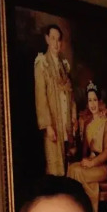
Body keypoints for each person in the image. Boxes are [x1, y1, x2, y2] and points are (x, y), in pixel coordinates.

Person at [34, 24, 77, 176]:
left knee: (68, 162)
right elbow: (41, 97)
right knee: (55, 165)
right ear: (47, 39)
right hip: (53, 122)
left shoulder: (64, 64)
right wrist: (48, 126)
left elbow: (70, 94)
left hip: (66, 121)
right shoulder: (42, 63)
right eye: (53, 39)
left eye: (58, 40)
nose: (56, 43)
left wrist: (73, 116)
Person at [67, 81, 107, 212]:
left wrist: (92, 163)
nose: (92, 104)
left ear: (99, 101)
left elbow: (106, 152)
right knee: (72, 168)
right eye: (89, 100)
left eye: (94, 100)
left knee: (77, 172)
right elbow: (84, 151)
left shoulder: (106, 123)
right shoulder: (87, 123)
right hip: (90, 162)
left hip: (101, 166)